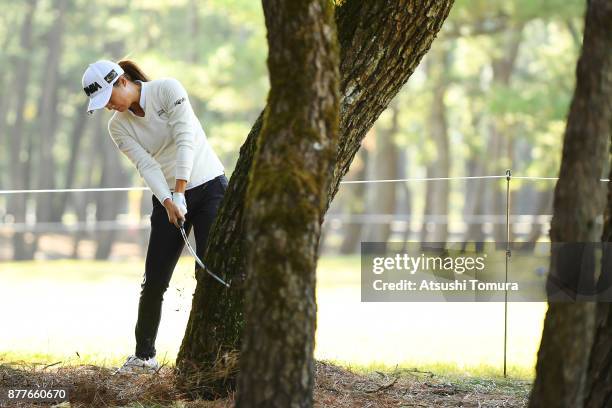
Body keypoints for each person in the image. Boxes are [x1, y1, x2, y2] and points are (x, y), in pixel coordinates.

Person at [81, 59, 228, 374]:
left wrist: (179, 191)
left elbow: (186, 139)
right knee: (154, 281)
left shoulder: (167, 89)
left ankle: (217, 355)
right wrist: (167, 200)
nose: (108, 107)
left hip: (209, 188)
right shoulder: (117, 126)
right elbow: (146, 165)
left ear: (122, 81)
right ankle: (144, 357)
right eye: (102, 104)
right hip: (167, 199)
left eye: (108, 98)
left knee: (210, 274)